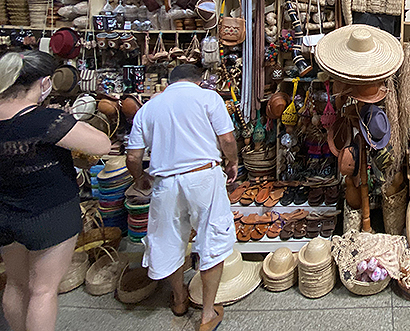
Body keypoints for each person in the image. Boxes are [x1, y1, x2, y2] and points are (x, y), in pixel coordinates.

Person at [0, 50, 112, 331]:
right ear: (44, 82)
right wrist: (72, 122)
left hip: (4, 213)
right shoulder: (47, 120)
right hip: (49, 214)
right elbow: (101, 145)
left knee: (15, 283)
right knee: (43, 290)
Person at [127, 64, 238, 331]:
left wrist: (139, 178)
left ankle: (179, 299)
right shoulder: (208, 97)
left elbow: (132, 157)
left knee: (169, 240)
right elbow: (227, 139)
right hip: (203, 177)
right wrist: (232, 162)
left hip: (165, 182)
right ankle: (207, 314)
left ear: (169, 83)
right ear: (198, 81)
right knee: (212, 239)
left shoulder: (148, 109)